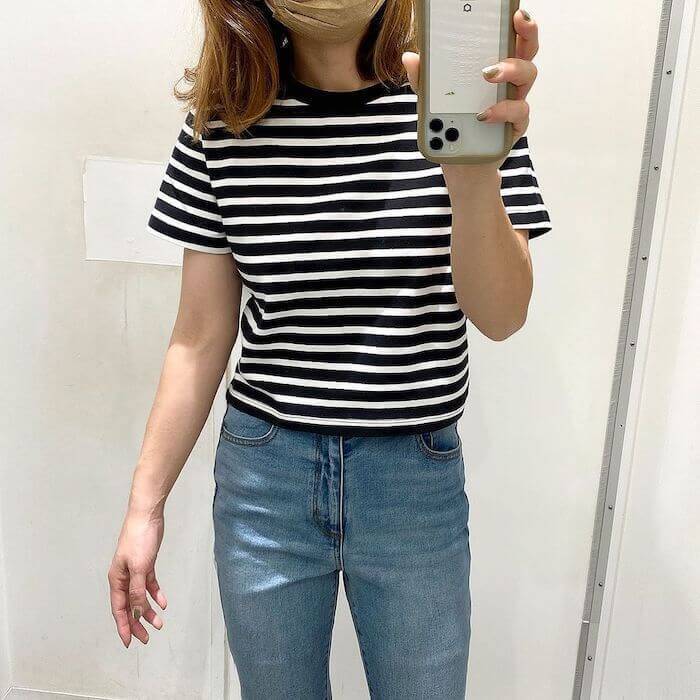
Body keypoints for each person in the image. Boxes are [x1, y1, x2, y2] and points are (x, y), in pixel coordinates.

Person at [108, 1, 552, 697]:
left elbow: (501, 316)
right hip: (266, 476)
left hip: (413, 478)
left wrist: (472, 178)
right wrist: (145, 506)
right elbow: (199, 337)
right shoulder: (224, 125)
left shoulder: (469, 100)